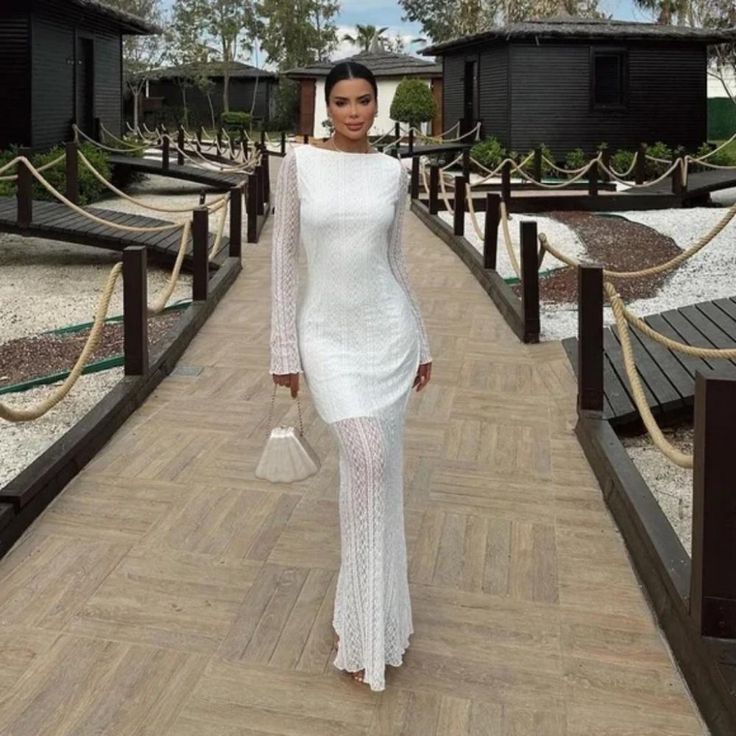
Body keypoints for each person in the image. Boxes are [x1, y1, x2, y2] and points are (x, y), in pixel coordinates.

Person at [269, 60, 432, 692]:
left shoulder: (393, 173)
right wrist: (284, 349)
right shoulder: (300, 165)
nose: (355, 112)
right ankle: (359, 615)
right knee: (366, 457)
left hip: (388, 335)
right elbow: (284, 261)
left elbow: (398, 262)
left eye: (365, 100)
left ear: (376, 105)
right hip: (328, 339)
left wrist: (421, 339)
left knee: (382, 474)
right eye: (342, 101)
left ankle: (373, 618)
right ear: (325, 107)